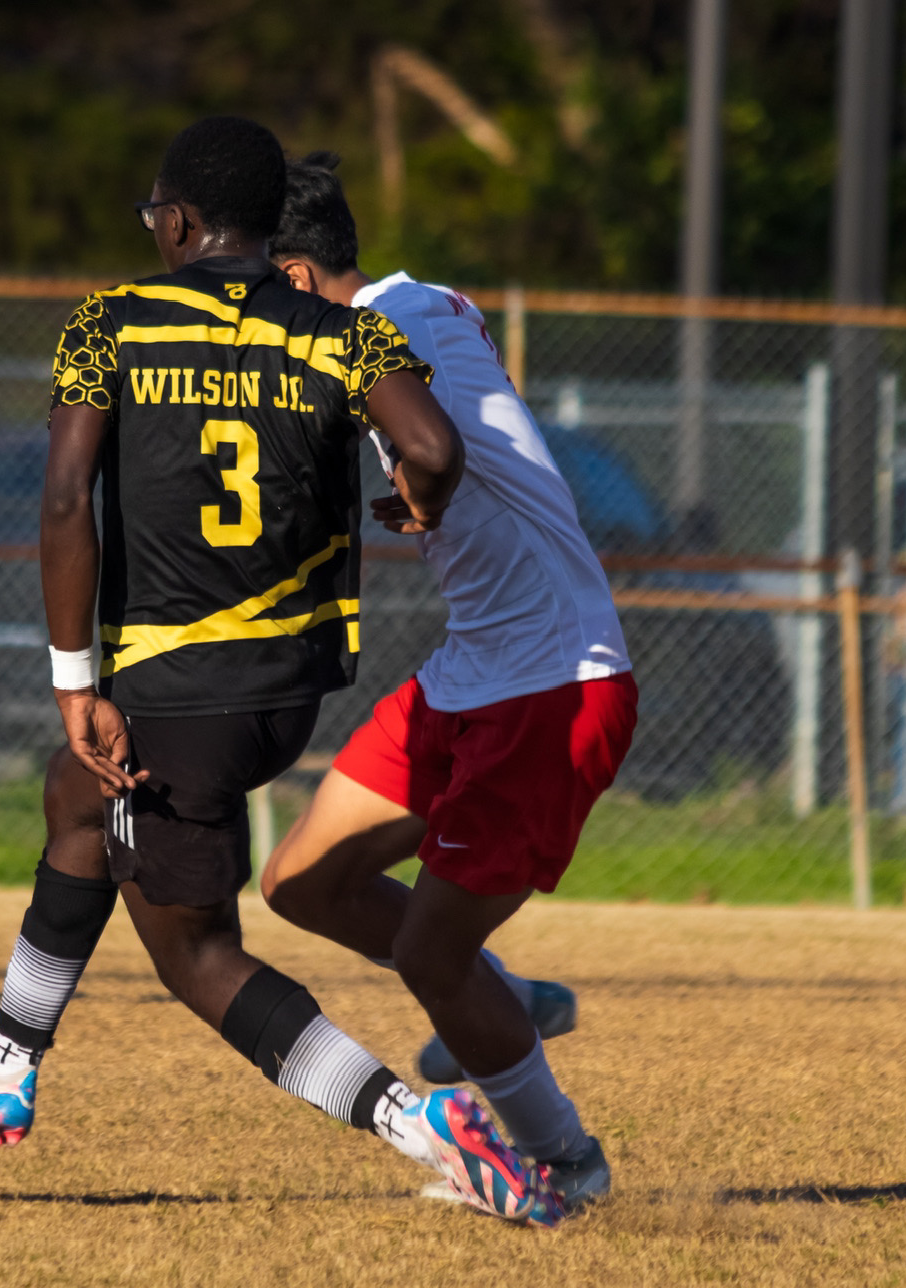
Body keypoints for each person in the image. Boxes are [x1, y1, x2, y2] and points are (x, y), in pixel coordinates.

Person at [0, 116, 565, 1225]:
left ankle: (421, 1123)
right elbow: (434, 447)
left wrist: (73, 681)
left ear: (183, 222)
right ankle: (3, 1065)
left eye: (156, 211)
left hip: (175, 690)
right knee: (76, 798)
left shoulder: (109, 323)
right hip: (288, 692)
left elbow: (65, 501)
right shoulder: (341, 333)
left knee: (196, 955)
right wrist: (417, 503)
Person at [248, 153, 634, 1211]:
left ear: (295, 274)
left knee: (429, 953)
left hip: (553, 681)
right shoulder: (417, 304)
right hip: (474, 669)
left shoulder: (381, 326)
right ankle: (499, 996)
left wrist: (423, 484)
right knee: (300, 882)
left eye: (255, 286)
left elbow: (437, 441)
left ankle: (567, 1162)